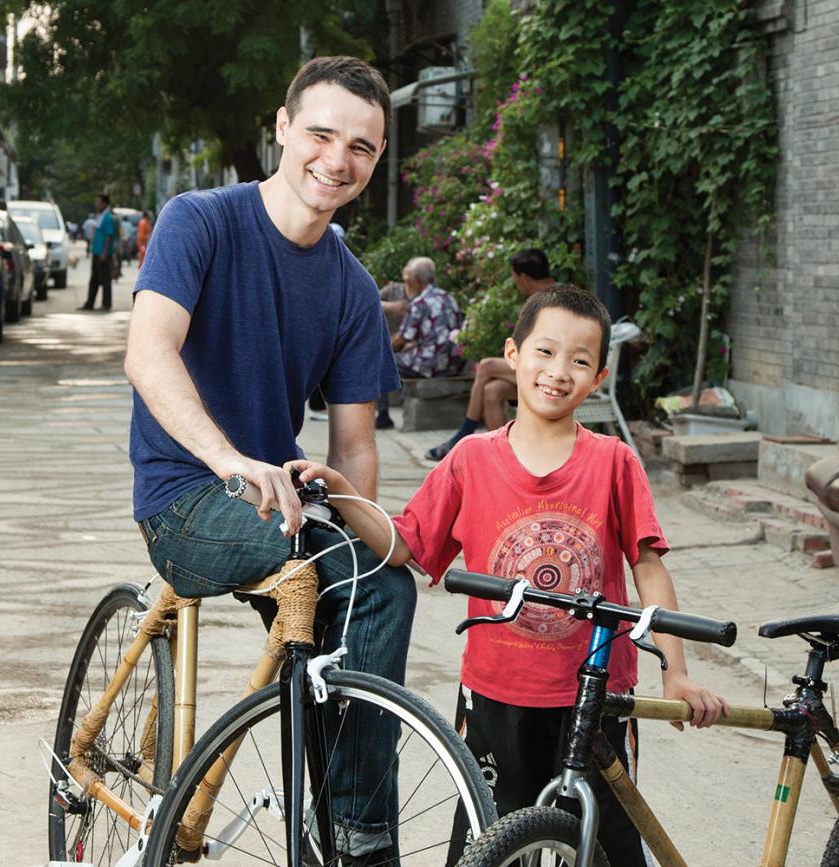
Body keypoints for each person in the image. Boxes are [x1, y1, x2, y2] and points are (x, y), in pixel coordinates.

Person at [289, 285, 728, 865]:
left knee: (606, 846)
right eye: (545, 352)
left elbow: (648, 567)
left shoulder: (614, 461)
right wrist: (343, 491)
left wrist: (677, 671)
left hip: (597, 698)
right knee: (490, 847)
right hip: (496, 695)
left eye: (579, 361)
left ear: (597, 378)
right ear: (512, 355)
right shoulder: (470, 459)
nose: (558, 371)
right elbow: (405, 548)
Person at [123, 56, 412, 863]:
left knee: (376, 582)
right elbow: (150, 354)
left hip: (276, 502)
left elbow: (353, 443)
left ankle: (346, 824)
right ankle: (356, 835)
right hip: (186, 496)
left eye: (361, 146)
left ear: (377, 158)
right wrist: (227, 459)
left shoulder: (352, 286)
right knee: (318, 563)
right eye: (320, 134)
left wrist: (378, 529)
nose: (337, 159)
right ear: (283, 130)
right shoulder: (200, 219)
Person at [425, 248, 560, 460]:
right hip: (539, 368)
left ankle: (463, 434)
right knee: (492, 391)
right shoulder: (542, 298)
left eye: (515, 278)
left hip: (554, 370)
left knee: (487, 366)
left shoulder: (556, 299)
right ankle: (501, 458)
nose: (516, 284)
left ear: (523, 278)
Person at [375, 256, 463, 429]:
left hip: (430, 365)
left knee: (379, 361)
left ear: (416, 280)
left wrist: (378, 349)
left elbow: (401, 339)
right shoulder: (448, 297)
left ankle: (383, 416)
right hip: (452, 363)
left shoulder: (420, 303)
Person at [82, 194, 118, 310]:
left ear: (104, 203)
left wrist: (104, 252)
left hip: (103, 254)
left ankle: (106, 304)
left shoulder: (107, 218)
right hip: (97, 252)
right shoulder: (100, 216)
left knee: (105, 280)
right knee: (95, 279)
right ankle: (90, 303)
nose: (96, 204)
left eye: (98, 202)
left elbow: (109, 236)